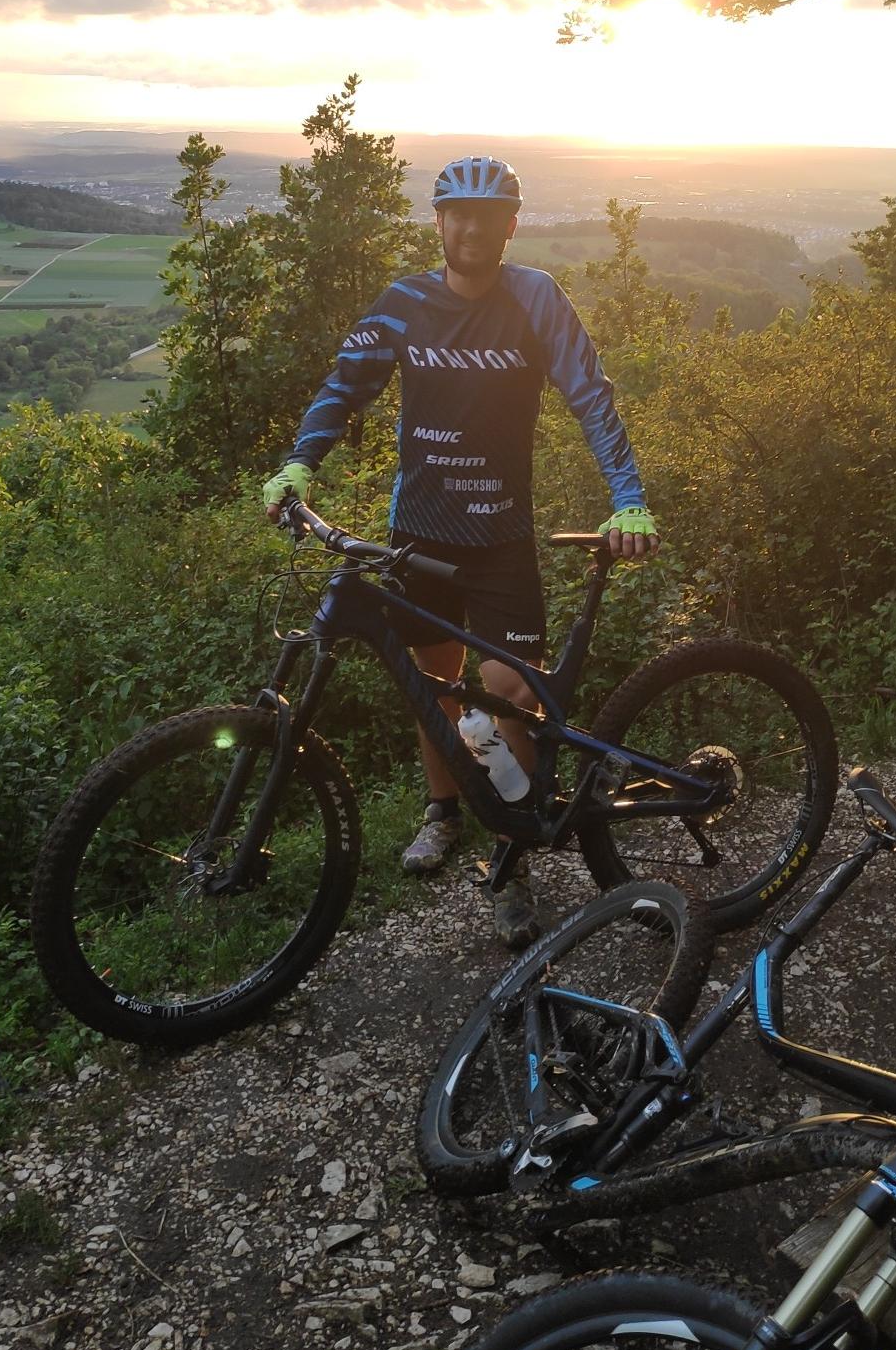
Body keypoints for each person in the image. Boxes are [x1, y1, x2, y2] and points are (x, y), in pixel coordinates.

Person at [263, 155, 658, 948]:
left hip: (501, 536)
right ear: (439, 222)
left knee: (509, 693)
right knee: (434, 685)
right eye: (458, 214)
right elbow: (344, 386)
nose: (472, 228)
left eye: (488, 215)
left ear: (511, 225)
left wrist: (629, 496)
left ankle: (514, 848)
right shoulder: (404, 303)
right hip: (419, 532)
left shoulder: (535, 298)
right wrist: (302, 462)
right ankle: (443, 812)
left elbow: (590, 396)